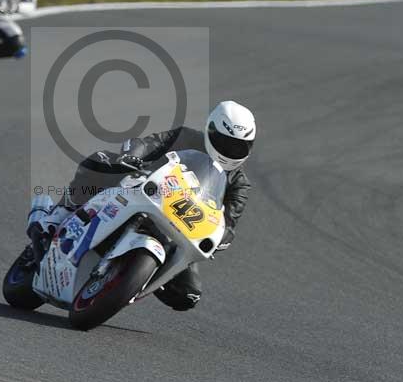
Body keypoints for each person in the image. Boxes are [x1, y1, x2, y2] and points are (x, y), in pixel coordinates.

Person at [30, 101, 256, 312]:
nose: (231, 150)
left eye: (239, 147)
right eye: (226, 142)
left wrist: (223, 236)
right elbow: (148, 144)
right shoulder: (185, 136)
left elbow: (229, 221)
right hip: (141, 194)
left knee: (187, 295)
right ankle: (60, 214)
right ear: (211, 131)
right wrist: (132, 157)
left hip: (179, 229)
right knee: (101, 161)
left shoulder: (239, 184)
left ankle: (134, 277)